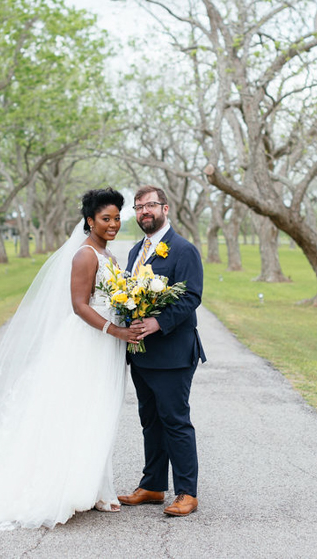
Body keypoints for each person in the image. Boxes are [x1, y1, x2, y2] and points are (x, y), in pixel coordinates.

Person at [0, 188, 138, 533]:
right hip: (89, 344)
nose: (112, 224)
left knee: (99, 411)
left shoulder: (107, 254)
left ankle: (93, 486)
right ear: (90, 220)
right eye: (105, 218)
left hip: (106, 343)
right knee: (80, 411)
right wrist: (116, 331)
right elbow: (79, 306)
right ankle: (68, 488)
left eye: (116, 218)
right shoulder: (85, 255)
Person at [120, 185, 206, 517]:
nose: (144, 211)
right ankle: (153, 486)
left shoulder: (183, 250)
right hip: (142, 355)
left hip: (172, 354)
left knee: (175, 421)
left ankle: (187, 492)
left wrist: (158, 323)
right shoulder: (135, 252)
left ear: (165, 209)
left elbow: (191, 297)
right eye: (139, 206)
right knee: (150, 421)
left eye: (150, 205)